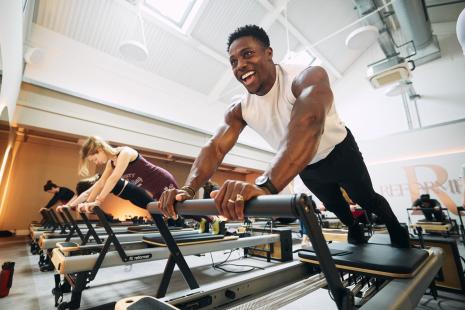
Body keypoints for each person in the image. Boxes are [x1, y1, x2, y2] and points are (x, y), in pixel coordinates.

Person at [158, 24, 409, 248]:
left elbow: (307, 123)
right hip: (306, 165)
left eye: (247, 54)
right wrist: (188, 189)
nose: (240, 65)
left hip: (341, 152)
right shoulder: (240, 107)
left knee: (366, 199)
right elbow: (215, 148)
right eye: (233, 61)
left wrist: (265, 186)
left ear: (269, 54)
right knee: (334, 206)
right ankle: (354, 228)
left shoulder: (307, 76)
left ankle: (396, 228)